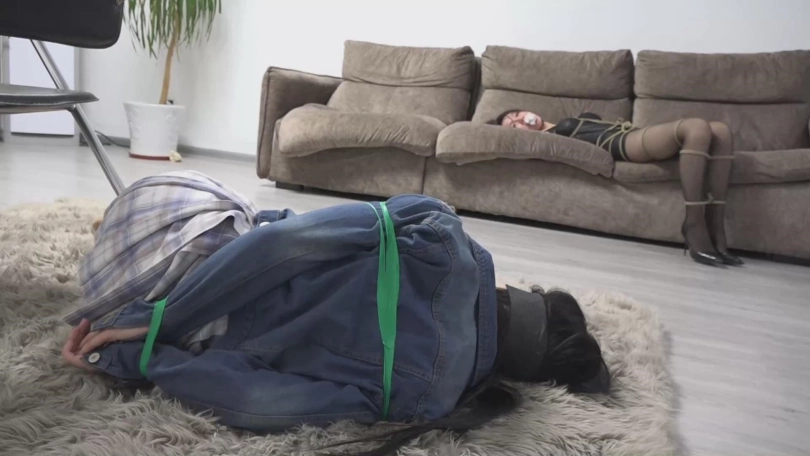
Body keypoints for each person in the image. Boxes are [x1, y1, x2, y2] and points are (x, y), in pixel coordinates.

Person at [63, 194, 609, 456]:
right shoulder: (427, 399)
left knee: (220, 208)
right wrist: (147, 357)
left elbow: (280, 243)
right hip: (163, 323)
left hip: (192, 254)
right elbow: (260, 402)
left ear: (523, 297)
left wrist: (162, 318)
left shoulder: (439, 233)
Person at [493, 110, 743, 266]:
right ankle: (694, 224)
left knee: (721, 131)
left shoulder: (559, 122)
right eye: (513, 125)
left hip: (635, 133)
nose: (519, 119)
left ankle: (715, 227)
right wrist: (531, 133)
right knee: (696, 126)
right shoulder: (547, 140)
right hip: (624, 143)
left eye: (516, 114)